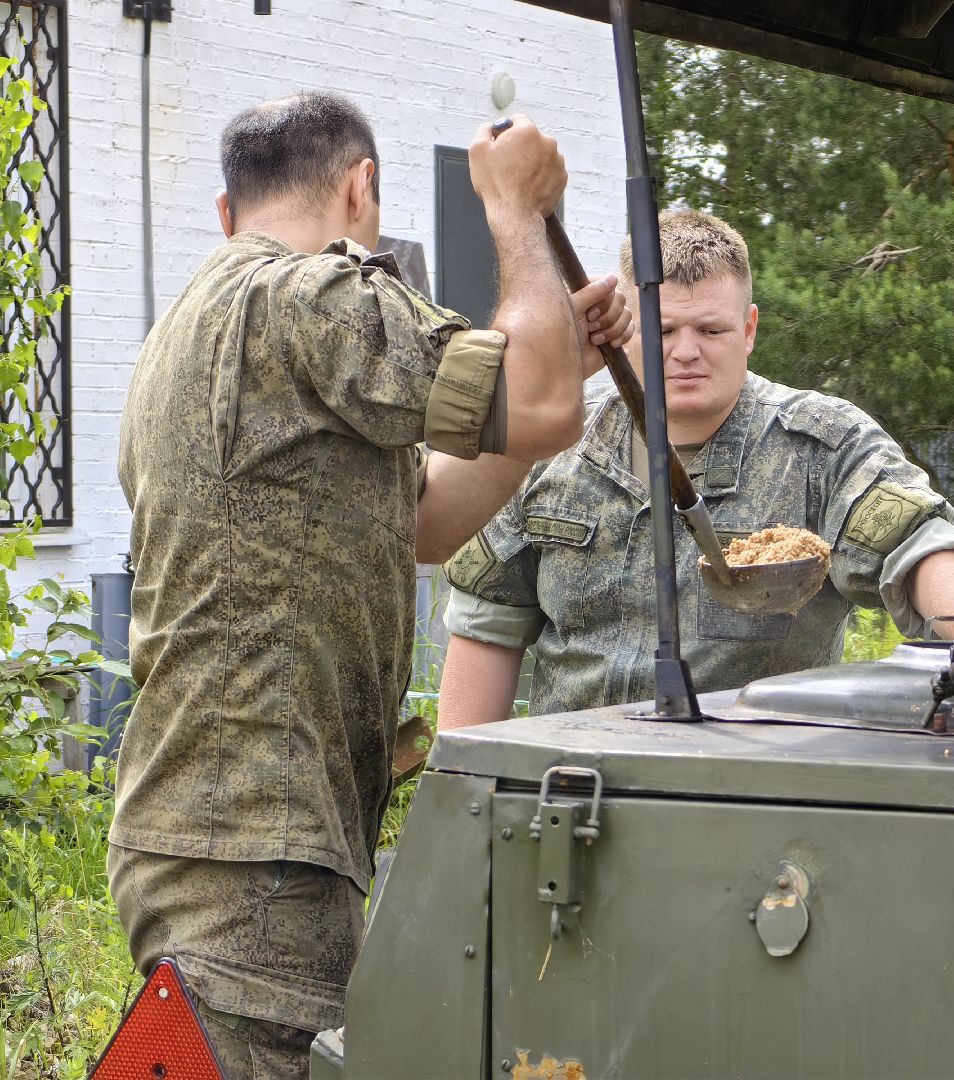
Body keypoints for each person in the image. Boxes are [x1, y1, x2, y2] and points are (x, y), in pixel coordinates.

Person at [108, 92, 631, 1077]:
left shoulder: (192, 327)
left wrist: (547, 372)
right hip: (256, 856)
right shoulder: (312, 297)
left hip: (214, 841)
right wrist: (516, 214)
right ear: (363, 189)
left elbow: (423, 521)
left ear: (228, 211)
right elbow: (550, 403)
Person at [438, 209, 954, 727]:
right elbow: (485, 626)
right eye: (663, 328)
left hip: (754, 818)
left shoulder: (821, 446)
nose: (685, 351)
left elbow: (915, 545)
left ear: (750, 329)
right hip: (569, 812)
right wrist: (461, 794)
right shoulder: (548, 448)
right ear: (622, 329)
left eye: (711, 329)